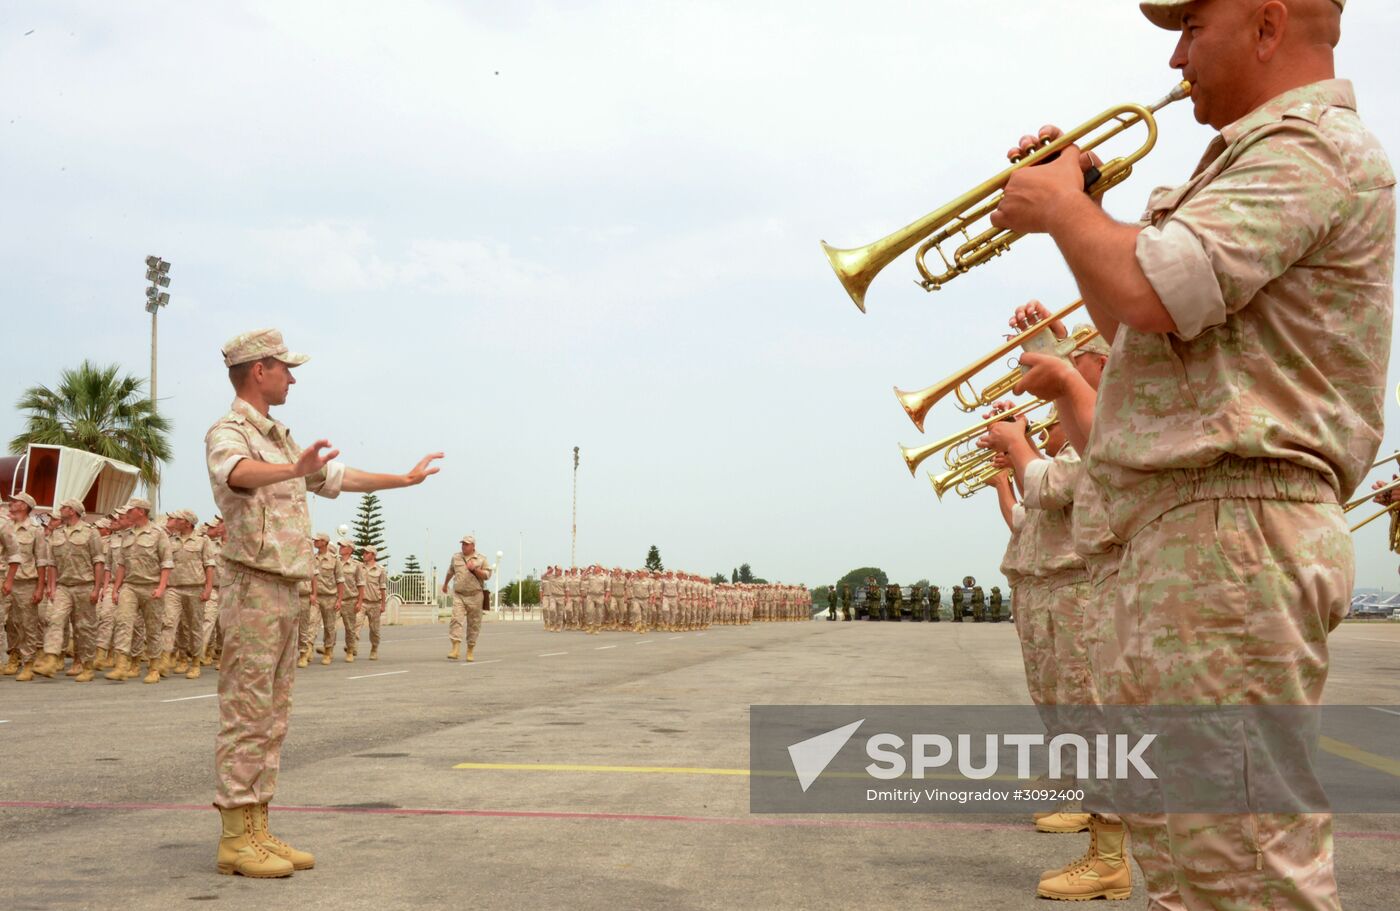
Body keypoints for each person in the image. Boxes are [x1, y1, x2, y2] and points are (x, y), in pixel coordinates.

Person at [992, 1, 1390, 905]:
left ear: (1265, 24)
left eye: (1191, 26)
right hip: (1199, 535)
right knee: (1191, 867)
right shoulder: (1257, 158)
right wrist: (1086, 211)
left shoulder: (1310, 150)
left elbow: (1147, 290)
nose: (1176, 54)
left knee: (1242, 874)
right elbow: (1141, 327)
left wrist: (1064, 210)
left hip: (1235, 532)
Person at [205, 328, 441, 877]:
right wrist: (292, 470)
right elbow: (234, 473)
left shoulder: (284, 440)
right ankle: (235, 840)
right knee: (245, 712)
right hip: (253, 585)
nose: (292, 376)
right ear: (257, 370)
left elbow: (339, 476)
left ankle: (259, 825)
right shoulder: (229, 431)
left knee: (273, 714)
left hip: (287, 588)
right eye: (285, 367)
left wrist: (403, 480)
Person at [33, 499, 104, 681]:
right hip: (64, 586)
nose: (60, 510)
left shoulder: (90, 532)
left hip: (85, 585)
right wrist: (52, 587)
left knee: (84, 628)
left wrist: (97, 588)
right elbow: (52, 564)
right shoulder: (57, 534)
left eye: (64, 507)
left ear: (72, 511)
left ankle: (86, 666)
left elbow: (98, 561)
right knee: (55, 620)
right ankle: (51, 659)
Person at [109, 498, 173, 685]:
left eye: (131, 510)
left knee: (153, 629)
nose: (127, 513)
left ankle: (154, 668)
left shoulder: (158, 534)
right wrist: (116, 589)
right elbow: (121, 564)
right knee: (123, 622)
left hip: (151, 586)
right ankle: (121, 665)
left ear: (141, 512)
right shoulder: (127, 534)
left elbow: (167, 563)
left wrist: (161, 587)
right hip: (130, 586)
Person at [443, 535, 489, 660]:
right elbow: (450, 571)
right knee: (456, 620)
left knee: (474, 624)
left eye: (466, 544)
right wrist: (445, 584)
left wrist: (475, 569)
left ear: (473, 546)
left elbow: (487, 575)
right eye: (462, 544)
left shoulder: (481, 559)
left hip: (475, 595)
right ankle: (455, 649)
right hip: (459, 594)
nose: (464, 546)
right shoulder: (456, 557)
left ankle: (470, 650)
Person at [333, 539, 363, 663]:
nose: (340, 548)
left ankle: (350, 650)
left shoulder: (356, 565)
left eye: (344, 546)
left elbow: (361, 584)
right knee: (330, 625)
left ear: (350, 550)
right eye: (340, 546)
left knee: (350, 628)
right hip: (335, 599)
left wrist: (360, 601)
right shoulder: (335, 562)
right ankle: (328, 648)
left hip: (350, 600)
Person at [359, 546, 388, 660]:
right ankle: (352, 648)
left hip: (375, 603)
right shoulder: (359, 567)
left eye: (367, 553)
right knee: (356, 625)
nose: (364, 554)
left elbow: (382, 587)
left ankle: (374, 648)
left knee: (374, 630)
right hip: (362, 602)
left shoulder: (380, 569)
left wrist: (383, 604)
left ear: (373, 555)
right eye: (364, 552)